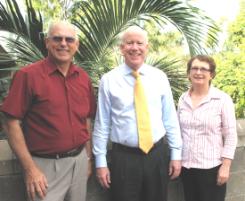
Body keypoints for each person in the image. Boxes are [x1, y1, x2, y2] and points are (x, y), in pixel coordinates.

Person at [0, 21, 96, 201]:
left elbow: (86, 120)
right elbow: (10, 121)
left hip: (79, 163)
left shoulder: (83, 78)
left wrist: (88, 158)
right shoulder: (28, 76)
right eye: (57, 38)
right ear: (47, 43)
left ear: (76, 45)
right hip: (44, 169)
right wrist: (30, 169)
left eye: (69, 39)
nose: (63, 44)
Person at [92, 26, 182, 201]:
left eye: (139, 43)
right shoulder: (109, 80)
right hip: (124, 159)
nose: (135, 47)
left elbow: (170, 119)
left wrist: (176, 154)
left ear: (147, 48)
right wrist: (101, 162)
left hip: (157, 156)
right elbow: (102, 124)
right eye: (129, 43)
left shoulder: (160, 77)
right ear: (122, 48)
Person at [178, 55, 237, 201]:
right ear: (188, 73)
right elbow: (179, 131)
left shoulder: (222, 99)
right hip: (187, 168)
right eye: (195, 68)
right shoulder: (182, 99)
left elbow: (230, 134)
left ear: (211, 74)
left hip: (212, 169)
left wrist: (226, 166)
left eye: (204, 69)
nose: (199, 72)